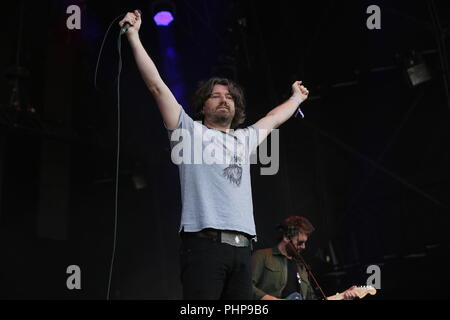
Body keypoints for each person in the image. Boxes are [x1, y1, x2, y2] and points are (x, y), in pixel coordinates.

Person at [119, 11, 309, 300]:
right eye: (216, 96)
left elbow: (273, 118)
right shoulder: (188, 131)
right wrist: (133, 36)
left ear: (237, 109)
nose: (224, 100)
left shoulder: (244, 139)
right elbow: (157, 86)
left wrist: (296, 97)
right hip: (205, 245)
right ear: (203, 106)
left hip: (243, 248)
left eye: (230, 97)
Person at [251, 216, 359, 300]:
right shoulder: (262, 256)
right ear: (286, 237)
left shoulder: (302, 267)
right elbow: (245, 286)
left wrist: (343, 296)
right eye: (300, 242)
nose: (303, 247)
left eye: (305, 243)